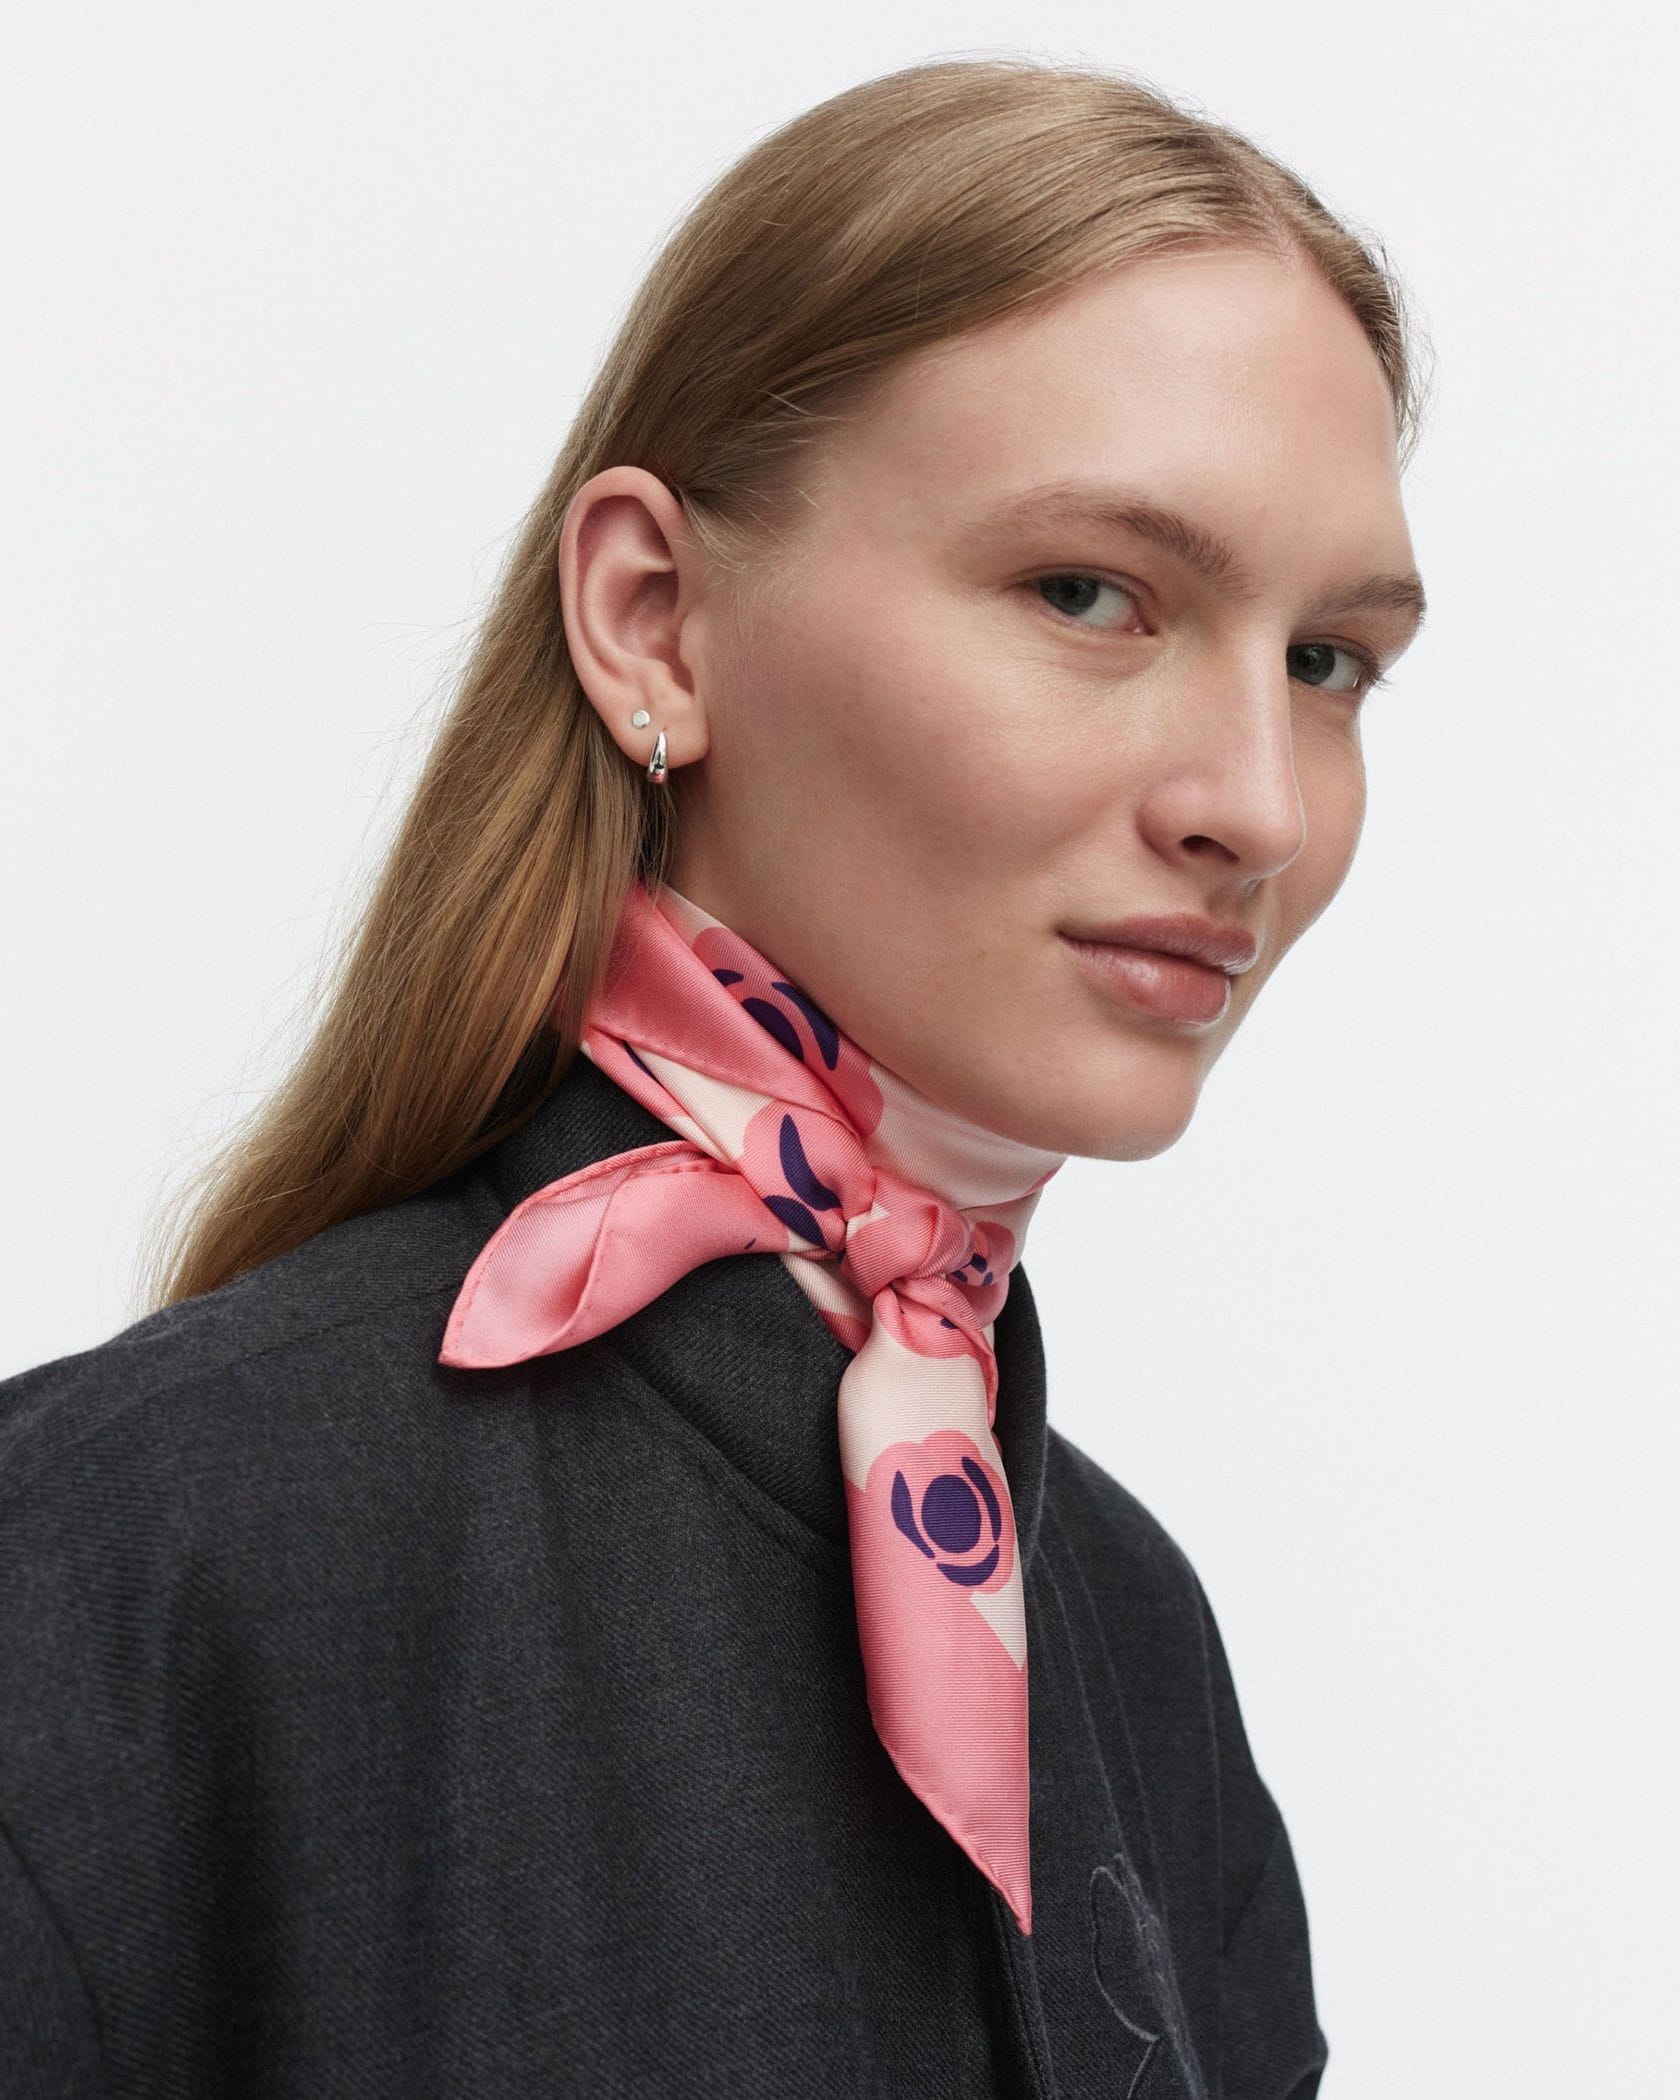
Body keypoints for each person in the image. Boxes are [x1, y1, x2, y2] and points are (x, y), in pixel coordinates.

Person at [0, 53, 1427, 2100]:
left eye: (1326, 660)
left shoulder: (1130, 1641)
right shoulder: (120, 1570)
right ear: (653, 621)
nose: (1260, 806)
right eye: (1088, 594)